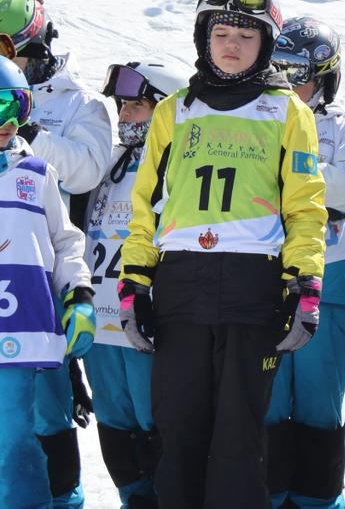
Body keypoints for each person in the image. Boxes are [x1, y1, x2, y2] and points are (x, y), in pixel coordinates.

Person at [119, 0, 327, 507]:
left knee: (238, 442)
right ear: (203, 38)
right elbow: (145, 207)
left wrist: (304, 283)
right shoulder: (174, 110)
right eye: (221, 34)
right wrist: (134, 281)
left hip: (251, 289)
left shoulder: (288, 111)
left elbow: (305, 207)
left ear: (265, 44)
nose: (231, 45)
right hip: (181, 289)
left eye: (245, 36)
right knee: (179, 436)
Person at [0, 0, 114, 509]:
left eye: (13, 52)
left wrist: (29, 134)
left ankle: (62, 495)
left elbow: (87, 171)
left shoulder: (77, 103)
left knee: (46, 414)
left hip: (40, 287)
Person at [266, 17, 345, 509]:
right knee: (265, 402)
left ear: (326, 78)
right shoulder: (257, 118)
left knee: (318, 404)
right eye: (279, 69)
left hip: (327, 281)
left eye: (300, 74)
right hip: (264, 279)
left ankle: (318, 500)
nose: (288, 83)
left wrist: (286, 171)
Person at [82, 60, 190, 509]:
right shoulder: (109, 160)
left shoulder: (177, 163)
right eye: (123, 106)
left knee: (157, 433)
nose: (124, 115)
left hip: (144, 324)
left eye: (136, 106)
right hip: (101, 326)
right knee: (116, 436)